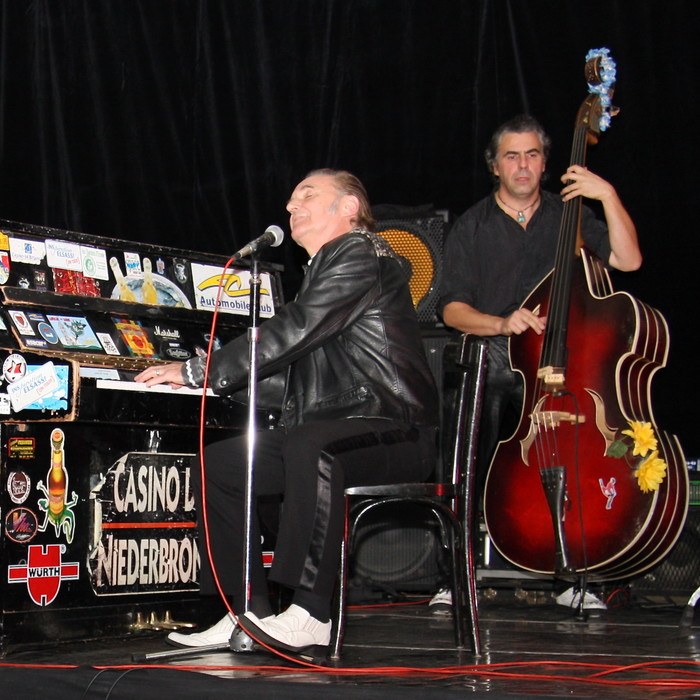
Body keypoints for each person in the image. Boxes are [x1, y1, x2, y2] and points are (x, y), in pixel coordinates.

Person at [134, 169, 439, 656]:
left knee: (311, 445)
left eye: (307, 196)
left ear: (349, 207)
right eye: (291, 200)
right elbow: (295, 378)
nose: (292, 207)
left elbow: (294, 329)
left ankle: (312, 613)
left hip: (395, 428)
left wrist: (203, 370)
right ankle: (247, 612)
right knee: (224, 465)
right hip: (337, 430)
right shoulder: (325, 271)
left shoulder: (360, 253)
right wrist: (209, 382)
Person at [433, 114, 641, 612]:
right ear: (495, 166)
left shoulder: (569, 216)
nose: (522, 165)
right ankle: (454, 574)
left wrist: (607, 195)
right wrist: (502, 323)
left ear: (545, 163)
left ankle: (571, 573)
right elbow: (451, 310)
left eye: (532, 154)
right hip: (498, 354)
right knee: (467, 445)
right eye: (512, 156)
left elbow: (628, 261)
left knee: (575, 454)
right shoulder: (472, 226)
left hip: (558, 362)